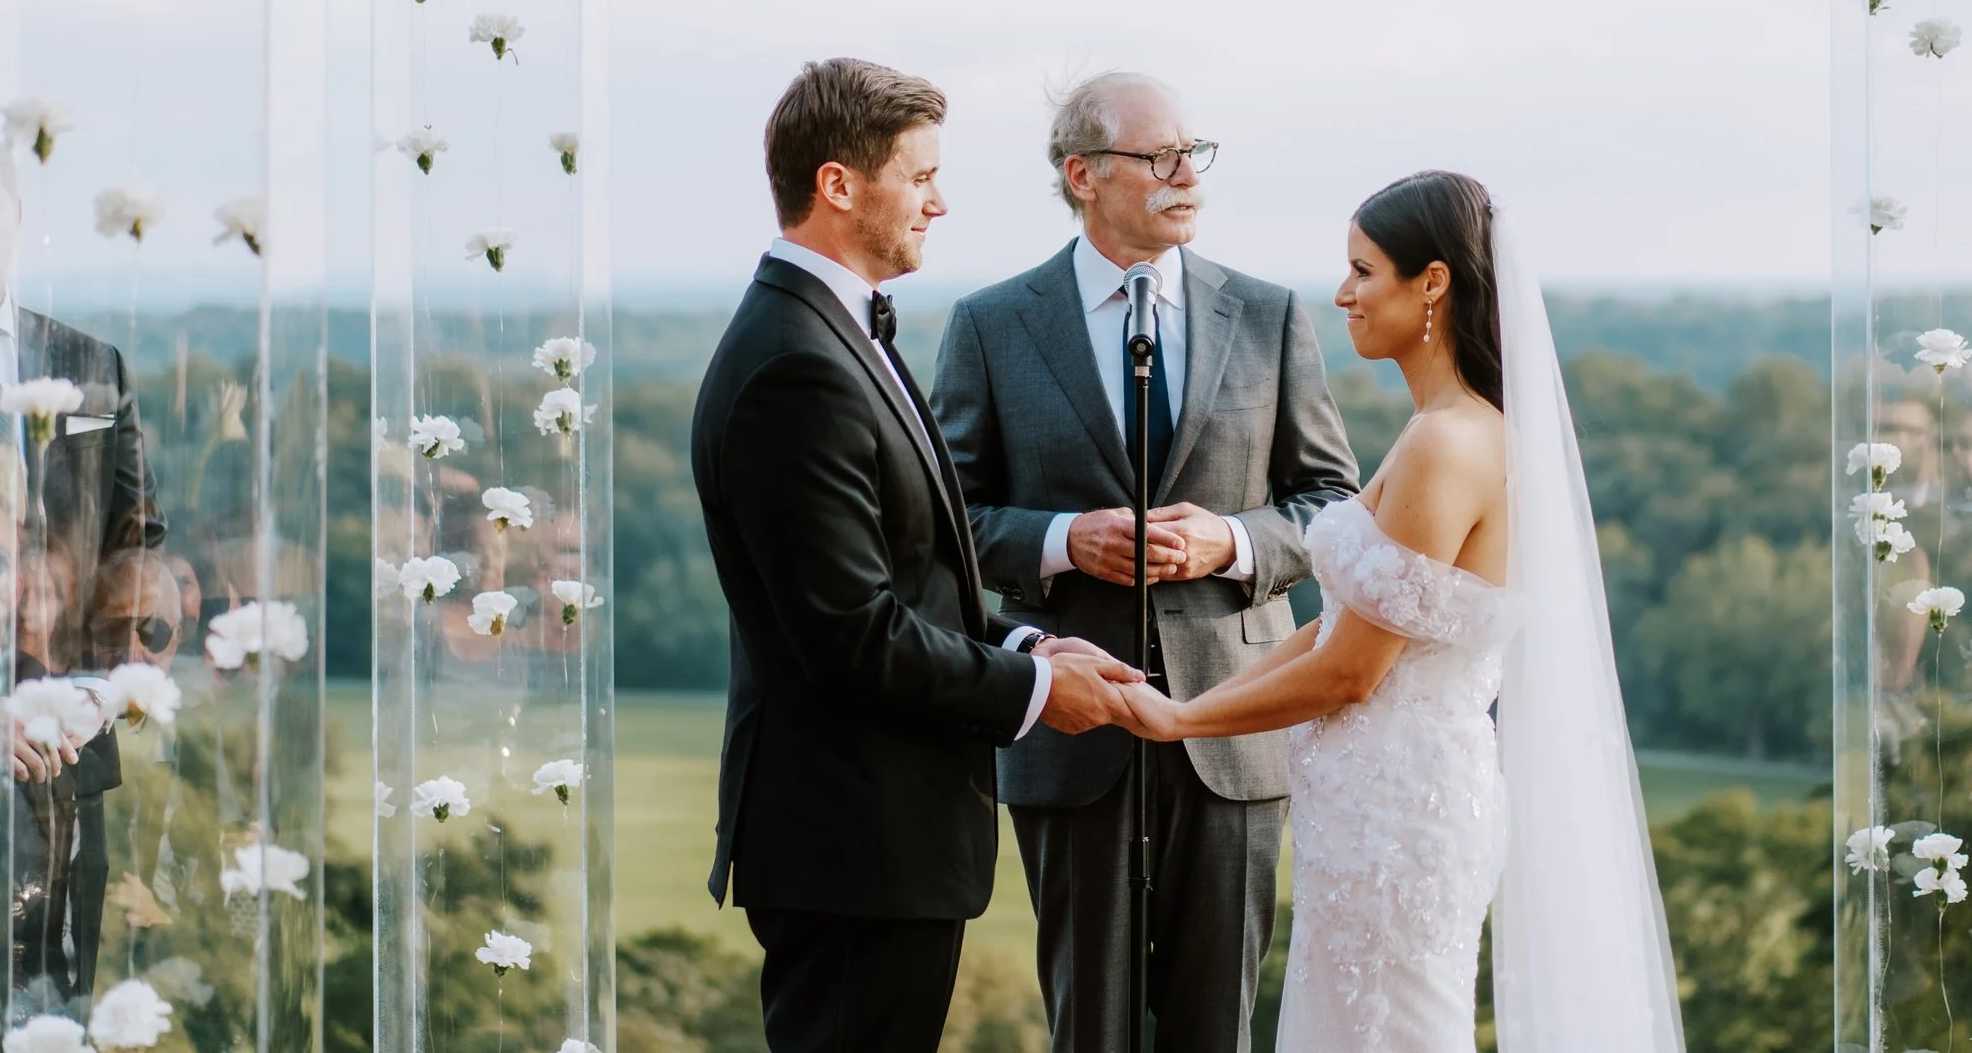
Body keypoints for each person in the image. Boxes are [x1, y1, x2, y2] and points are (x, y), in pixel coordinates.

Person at [1115, 171, 1684, 1053]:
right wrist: (1187, 702)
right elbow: (1340, 622)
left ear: (1433, 281)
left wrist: (1181, 720)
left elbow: (1352, 669)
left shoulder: (1448, 444)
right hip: (1370, 814)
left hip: (1399, 823)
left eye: (1362, 269)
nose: (1342, 292)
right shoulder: (1440, 427)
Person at [689, 58, 1142, 1053]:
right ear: (837, 184)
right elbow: (851, 629)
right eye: (921, 174)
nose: (941, 201)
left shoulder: (832, 330)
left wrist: (1031, 637)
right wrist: (1029, 691)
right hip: (850, 839)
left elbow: (909, 569)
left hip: (878, 842)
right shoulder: (794, 366)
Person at [931, 71, 1359, 1053]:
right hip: (1072, 728)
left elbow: (1331, 503)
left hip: (1236, 726)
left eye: (1191, 153)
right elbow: (941, 521)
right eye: (1155, 155)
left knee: (1216, 1027)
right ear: (1081, 174)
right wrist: (1059, 539)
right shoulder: (992, 325)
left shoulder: (1269, 315)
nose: (1184, 174)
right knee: (1094, 1027)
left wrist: (1233, 540)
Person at [0, 119, 161, 1009]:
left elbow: (135, 544)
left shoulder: (91, 364)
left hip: (69, 769)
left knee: (52, 1019)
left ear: (16, 213)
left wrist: (103, 689)